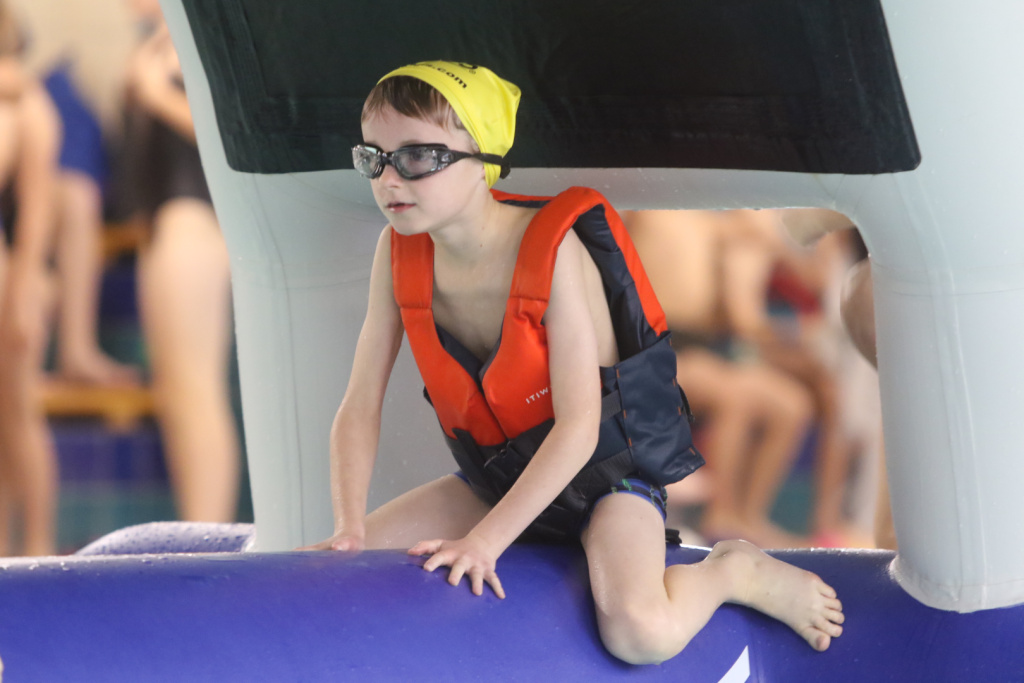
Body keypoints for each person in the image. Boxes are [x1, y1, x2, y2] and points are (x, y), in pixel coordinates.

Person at [301, 61, 844, 663]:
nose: (389, 179)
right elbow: (359, 404)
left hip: (605, 481)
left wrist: (485, 543)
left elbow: (581, 428)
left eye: (417, 156)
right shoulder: (397, 251)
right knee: (342, 577)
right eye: (373, 157)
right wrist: (348, 528)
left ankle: (731, 571)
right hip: (497, 482)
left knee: (640, 633)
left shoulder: (552, 252)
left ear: (484, 159)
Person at [624, 209, 815, 549]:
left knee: (791, 404)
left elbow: (738, 310)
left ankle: (749, 518)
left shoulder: (717, 224)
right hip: (653, 349)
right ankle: (721, 516)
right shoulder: (646, 211)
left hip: (703, 348)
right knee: (734, 397)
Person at [120, 1, 239, 523]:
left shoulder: (208, 40)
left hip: (195, 225)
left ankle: (208, 531)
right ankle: (199, 524)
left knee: (195, 391)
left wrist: (154, 94)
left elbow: (230, 141)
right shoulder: (162, 43)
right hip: (168, 228)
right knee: (175, 393)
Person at [0, 2, 61, 556]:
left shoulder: (27, 104)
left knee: (17, 414)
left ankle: (38, 550)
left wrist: (22, 295)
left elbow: (38, 211)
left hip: (6, 279)